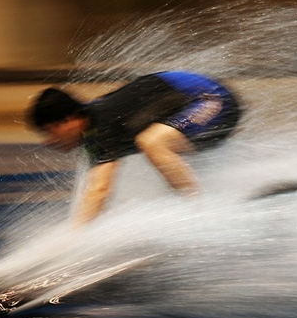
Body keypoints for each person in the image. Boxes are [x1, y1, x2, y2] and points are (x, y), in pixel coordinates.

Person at [27, 71, 241, 227]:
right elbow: (96, 190)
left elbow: (100, 191)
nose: (49, 141)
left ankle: (199, 214)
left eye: (49, 131)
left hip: (214, 101)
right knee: (158, 147)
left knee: (152, 142)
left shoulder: (101, 123)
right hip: (202, 108)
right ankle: (209, 198)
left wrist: (71, 240)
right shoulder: (92, 130)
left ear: (68, 120)